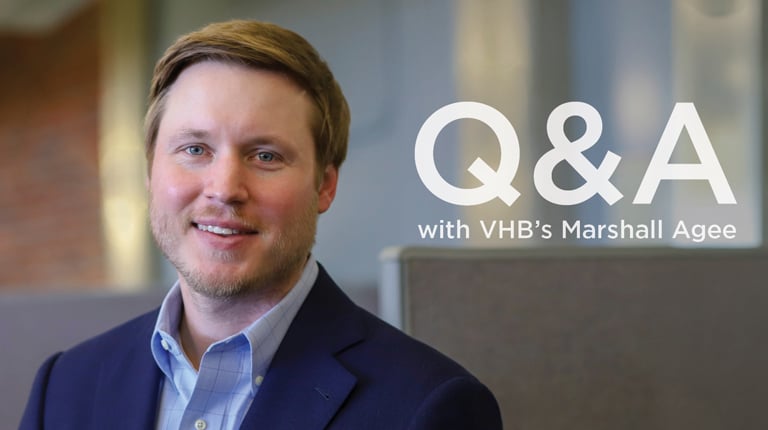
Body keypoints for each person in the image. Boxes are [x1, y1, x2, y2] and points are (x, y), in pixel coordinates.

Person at [20, 20, 502, 430]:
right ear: (150, 171)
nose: (225, 187)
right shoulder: (65, 387)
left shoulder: (427, 406)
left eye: (265, 155)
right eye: (194, 150)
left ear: (325, 187)